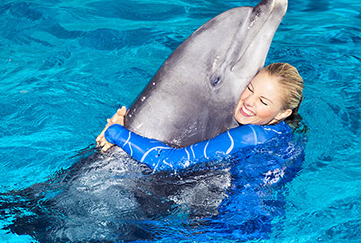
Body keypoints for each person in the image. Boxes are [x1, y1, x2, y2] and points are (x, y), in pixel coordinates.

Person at [96, 62, 304, 172]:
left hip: (227, 229)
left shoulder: (247, 135)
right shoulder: (285, 131)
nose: (249, 101)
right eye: (249, 88)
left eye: (263, 102)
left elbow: (169, 162)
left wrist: (117, 133)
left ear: (283, 113)